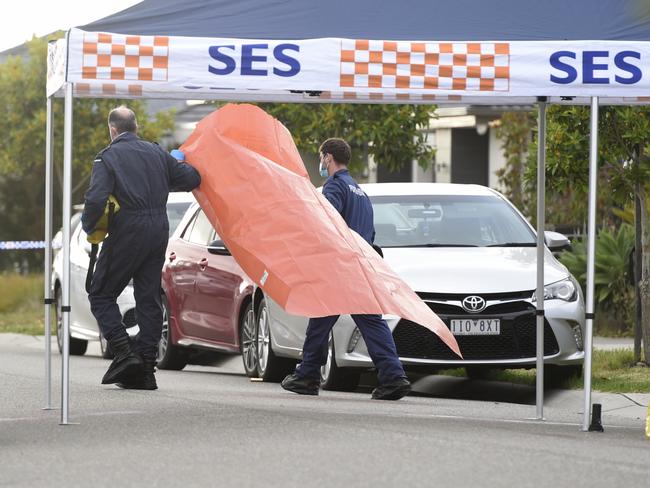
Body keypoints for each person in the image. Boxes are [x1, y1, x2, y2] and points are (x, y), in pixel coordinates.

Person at [281, 138, 411, 400]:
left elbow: (325, 224)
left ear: (328, 158)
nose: (321, 162)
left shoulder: (335, 187)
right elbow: (369, 232)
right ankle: (393, 376)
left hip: (339, 266)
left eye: (321, 157)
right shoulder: (358, 190)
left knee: (320, 320)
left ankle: (307, 376)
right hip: (362, 264)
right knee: (371, 322)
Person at [81, 106, 201, 390]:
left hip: (127, 230)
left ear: (113, 130)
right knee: (148, 297)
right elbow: (192, 178)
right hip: (159, 229)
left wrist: (90, 229)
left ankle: (124, 353)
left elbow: (96, 199)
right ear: (136, 127)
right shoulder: (157, 153)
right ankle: (146, 369)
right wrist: (176, 163)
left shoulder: (107, 157)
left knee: (100, 294)